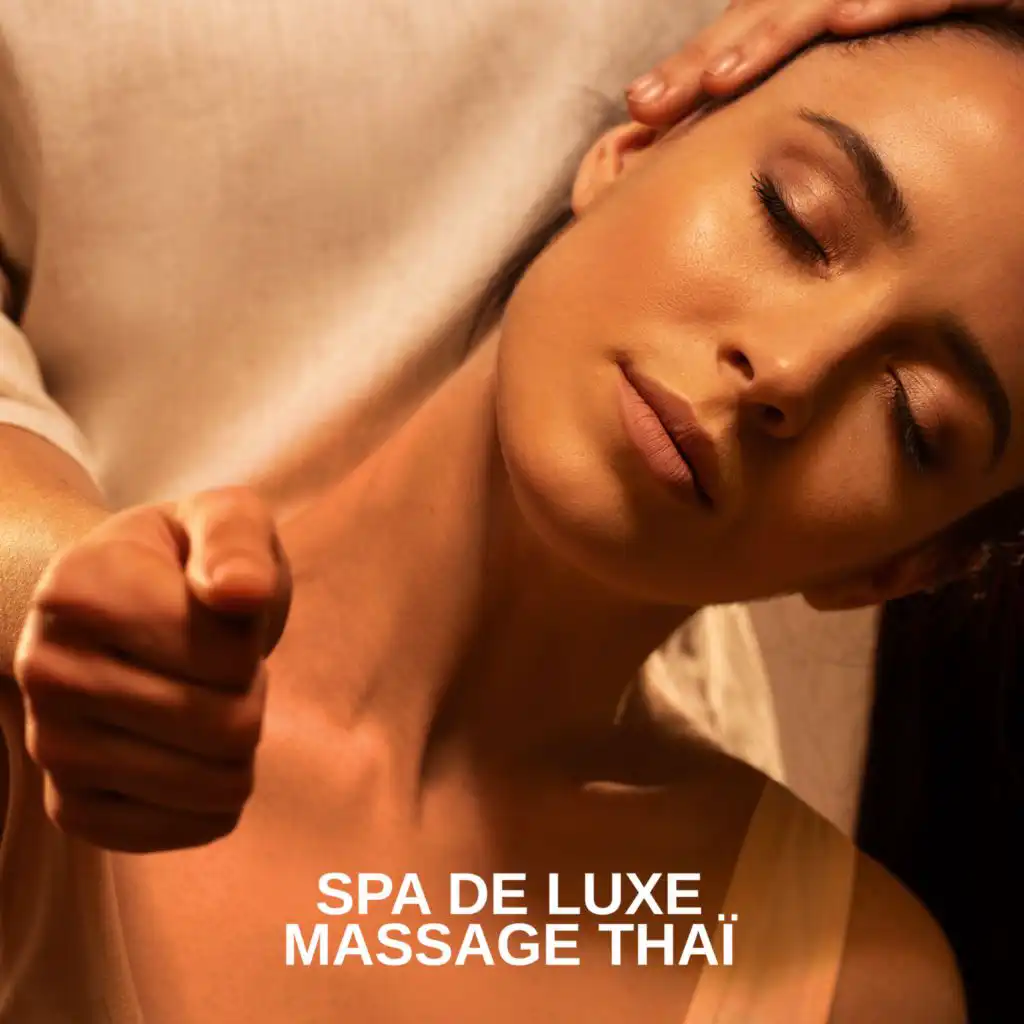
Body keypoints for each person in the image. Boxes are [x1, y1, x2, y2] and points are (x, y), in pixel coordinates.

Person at [9, 9, 1024, 1021]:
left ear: (894, 569)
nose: (789, 371)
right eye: (794, 218)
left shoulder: (840, 985)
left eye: (913, 419)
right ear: (635, 149)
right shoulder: (53, 675)